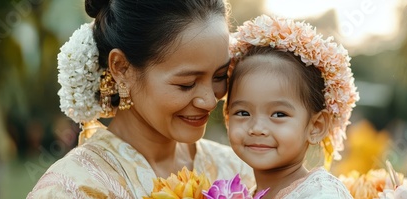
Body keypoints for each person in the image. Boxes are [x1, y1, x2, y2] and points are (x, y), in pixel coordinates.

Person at [27, 0, 253, 198]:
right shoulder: (75, 188)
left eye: (220, 76)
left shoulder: (238, 171)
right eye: (187, 84)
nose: (210, 101)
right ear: (122, 68)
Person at [224, 15, 359, 199]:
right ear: (227, 117)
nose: (257, 128)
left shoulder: (322, 194)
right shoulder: (245, 192)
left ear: (316, 126)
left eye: (278, 114)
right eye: (243, 112)